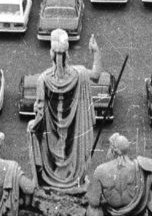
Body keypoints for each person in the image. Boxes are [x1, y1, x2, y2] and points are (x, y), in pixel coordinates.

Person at [29, 31, 103, 193]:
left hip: (51, 141)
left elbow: (39, 115)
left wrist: (32, 126)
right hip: (73, 139)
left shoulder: (43, 79)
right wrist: (96, 52)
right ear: (67, 53)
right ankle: (70, 178)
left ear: (51, 53)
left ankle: (52, 179)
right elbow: (97, 75)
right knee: (69, 145)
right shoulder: (80, 73)